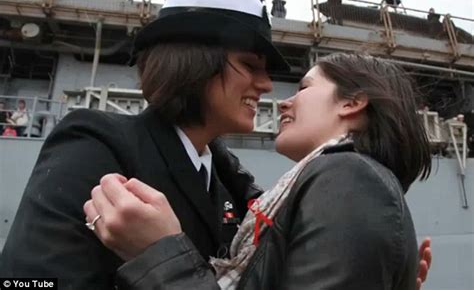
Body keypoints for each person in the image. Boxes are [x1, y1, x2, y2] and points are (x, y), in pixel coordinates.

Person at [0, 0, 289, 289]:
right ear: (196, 62)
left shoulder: (226, 185)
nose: (266, 85)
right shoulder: (98, 144)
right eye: (249, 65)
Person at [84, 54, 433, 289]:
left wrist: (160, 254)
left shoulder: (348, 178)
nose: (283, 101)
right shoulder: (347, 181)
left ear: (352, 102)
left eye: (304, 88)